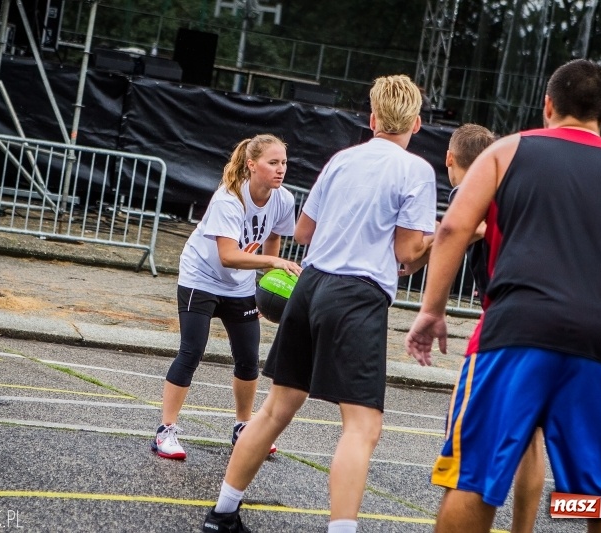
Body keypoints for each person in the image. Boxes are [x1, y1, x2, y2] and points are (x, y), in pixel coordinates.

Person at [406, 59, 601, 533]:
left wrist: (432, 311)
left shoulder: (507, 152)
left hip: (518, 329)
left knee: (474, 480)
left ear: (547, 105)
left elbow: (452, 229)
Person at [202, 74, 437, 533]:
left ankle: (223, 512)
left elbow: (304, 233)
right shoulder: (416, 171)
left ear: (372, 119)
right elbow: (409, 252)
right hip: (356, 294)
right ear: (417, 123)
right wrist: (445, 240)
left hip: (311, 285)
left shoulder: (342, 160)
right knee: (361, 426)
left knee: (275, 408)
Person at [402, 123, 546, 533]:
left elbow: (462, 228)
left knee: (469, 435)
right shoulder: (516, 185)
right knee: (531, 438)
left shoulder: (471, 189)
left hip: (507, 319)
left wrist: (423, 269)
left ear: (450, 158)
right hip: (547, 315)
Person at [152, 134, 302, 461]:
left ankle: (243, 427)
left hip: (240, 285)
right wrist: (273, 262)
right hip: (201, 277)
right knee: (192, 351)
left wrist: (268, 285)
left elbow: (274, 235)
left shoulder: (283, 199)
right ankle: (166, 430)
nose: (281, 170)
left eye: (284, 163)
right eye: (273, 163)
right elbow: (228, 256)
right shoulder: (229, 199)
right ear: (252, 164)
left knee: (249, 359)